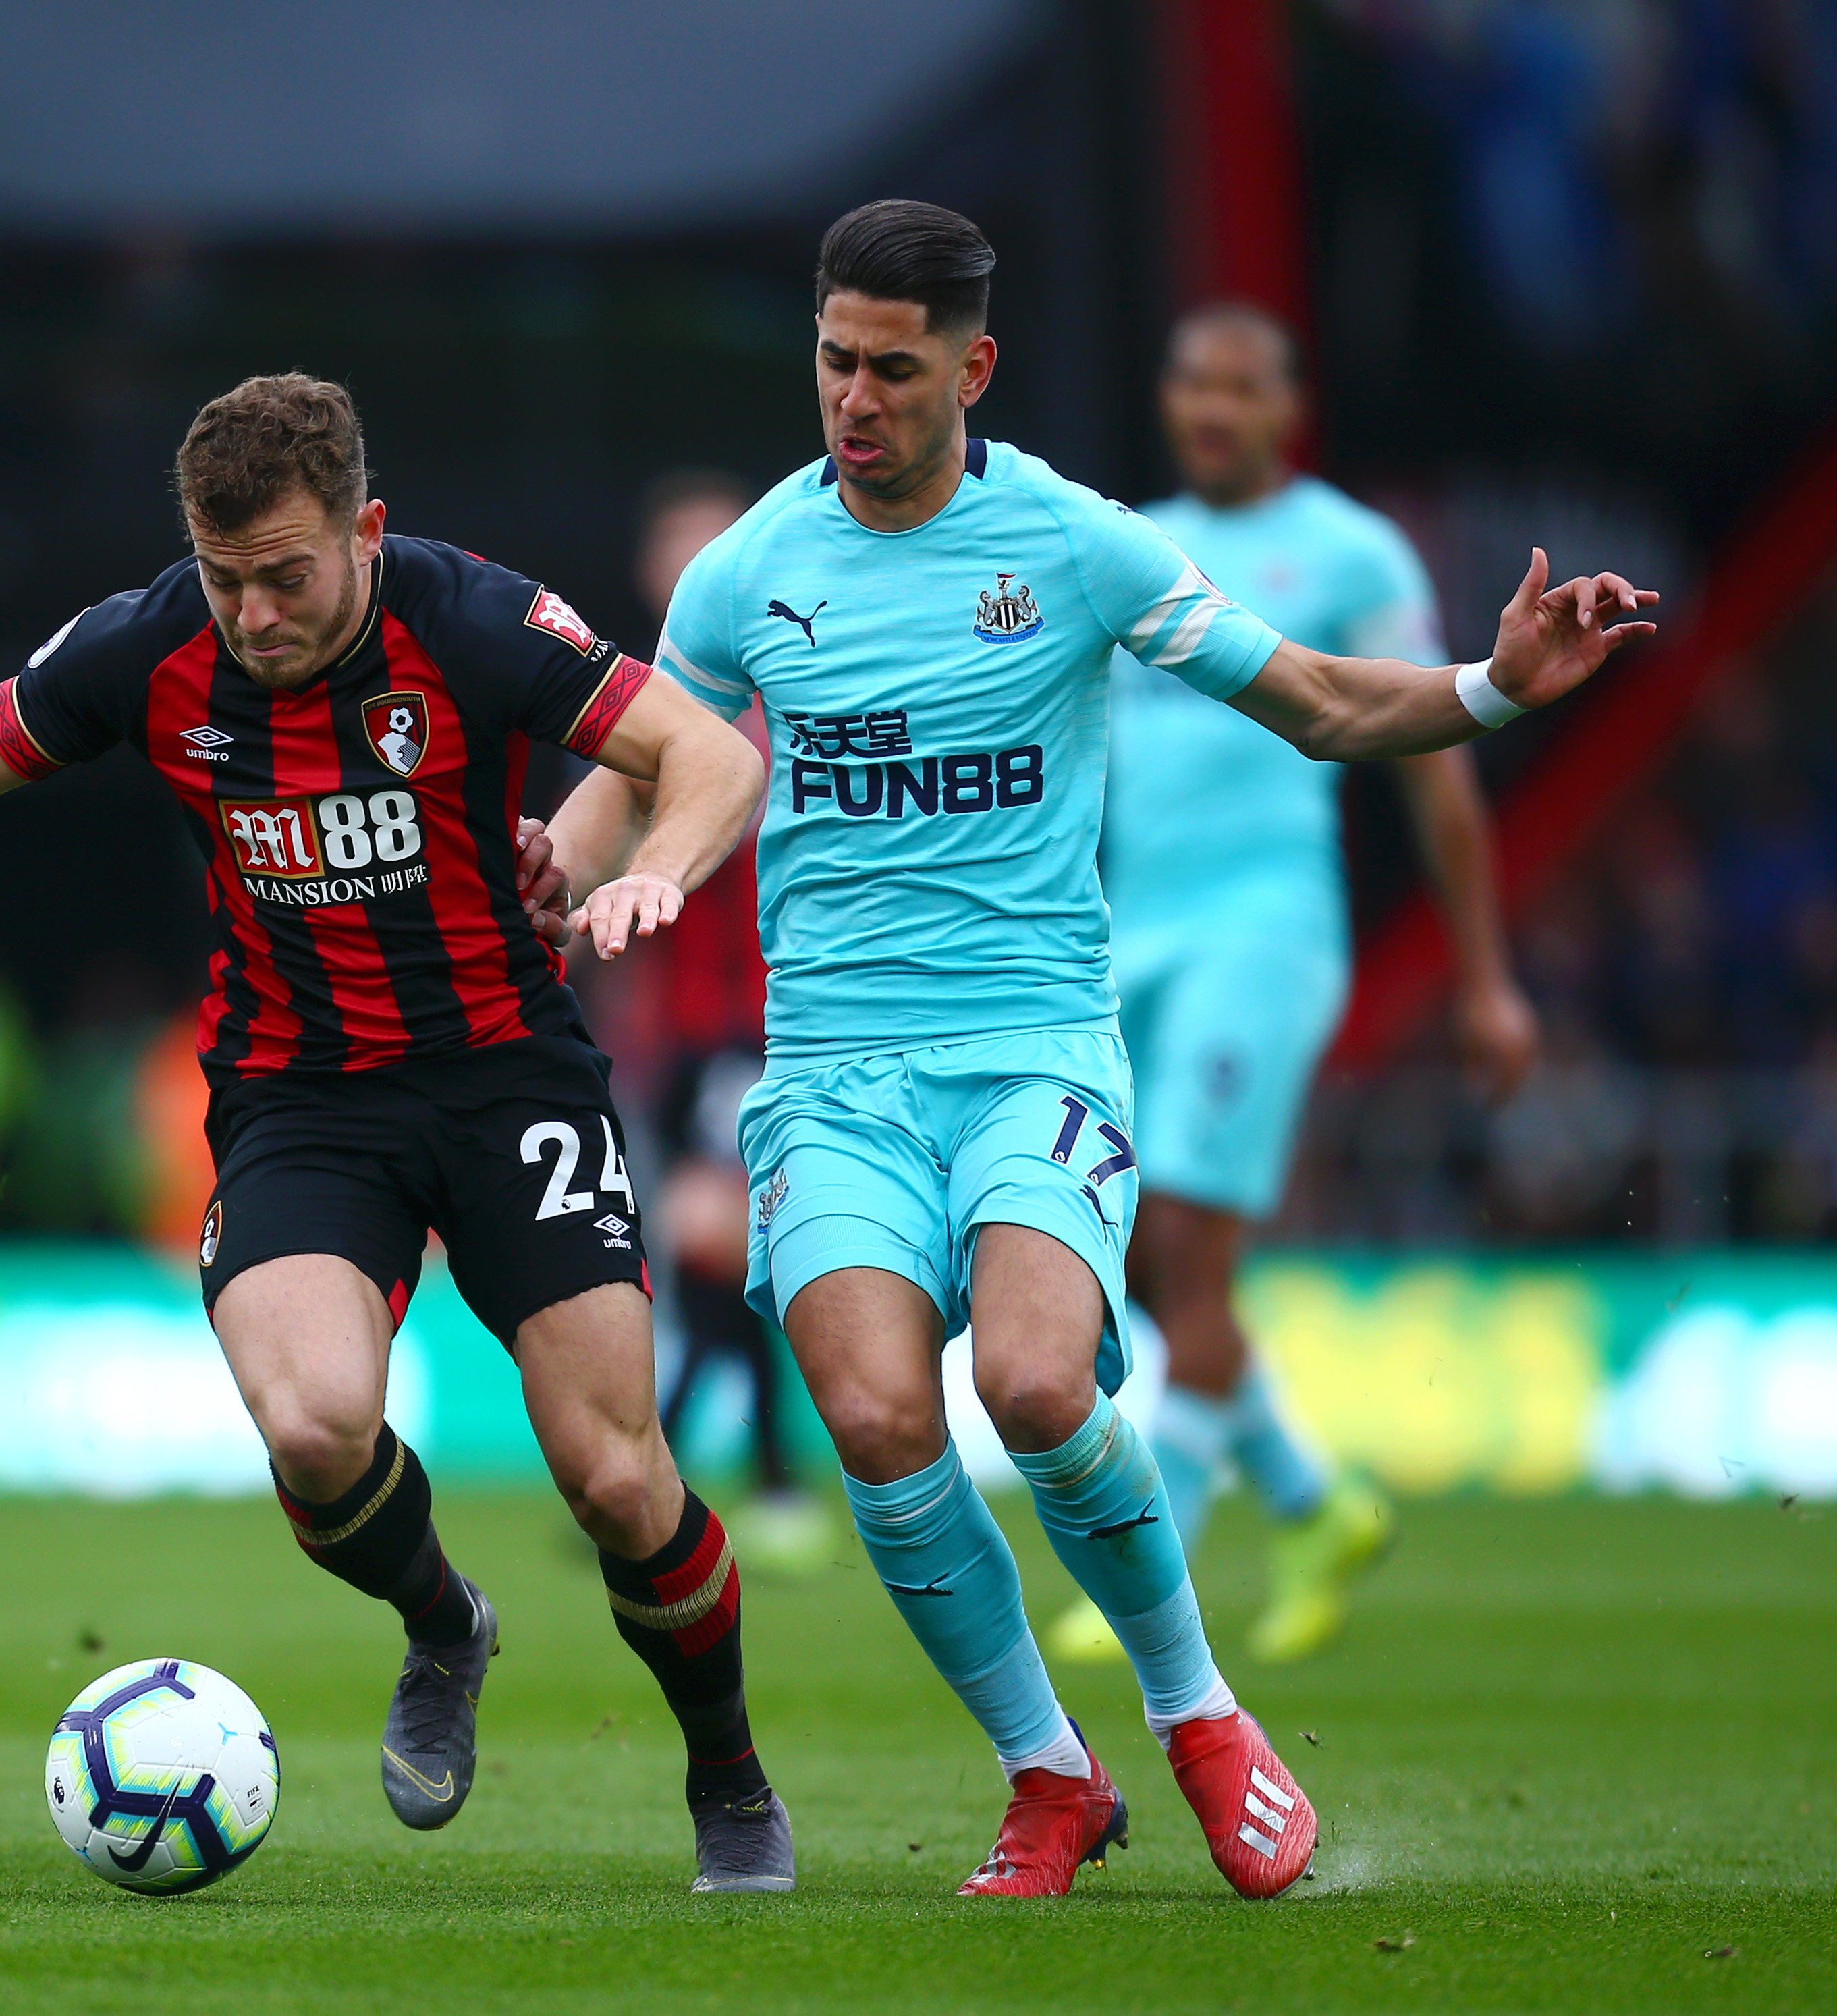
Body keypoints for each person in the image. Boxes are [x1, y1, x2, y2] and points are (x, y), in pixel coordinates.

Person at [535, 201, 1653, 1899]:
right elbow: (636, 772)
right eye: (835, 360)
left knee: (1041, 1384)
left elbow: (1321, 706)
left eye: (894, 369)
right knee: (876, 1419)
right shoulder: (747, 567)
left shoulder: (1072, 543)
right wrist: (569, 865)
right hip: (833, 1073)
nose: (854, 397)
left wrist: (1493, 687)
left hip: (1036, 1047)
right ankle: (1050, 1776)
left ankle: (1201, 1717)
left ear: (971, 368)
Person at [0, 375, 792, 1892]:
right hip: (300, 1097)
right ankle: (445, 1622)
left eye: (288, 576)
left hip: (509, 1074)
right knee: (314, 1433)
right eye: (225, 576)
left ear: (367, 533)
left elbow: (706, 755)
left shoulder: (474, 620)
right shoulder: (150, 643)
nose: (251, 615)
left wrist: (661, 872)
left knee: (617, 1480)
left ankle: (731, 1779)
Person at [1043, 304, 1541, 1672]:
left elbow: (1435, 768)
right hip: (1123, 939)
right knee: (1147, 1264)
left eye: (1238, 388)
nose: (1210, 408)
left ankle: (1158, 1585)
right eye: (1190, 383)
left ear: (1286, 409)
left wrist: (1487, 979)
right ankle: (1315, 1505)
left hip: (1264, 936)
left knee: (1194, 1251)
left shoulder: (1350, 555)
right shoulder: (1122, 547)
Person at [627, 474, 825, 1570]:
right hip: (673, 1037)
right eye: (671, 545)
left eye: (706, 545)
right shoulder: (631, 714)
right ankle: (679, 1466)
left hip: (755, 1025)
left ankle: (758, 1476)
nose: (684, 567)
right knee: (704, 1246)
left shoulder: (780, 709)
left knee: (718, 1237)